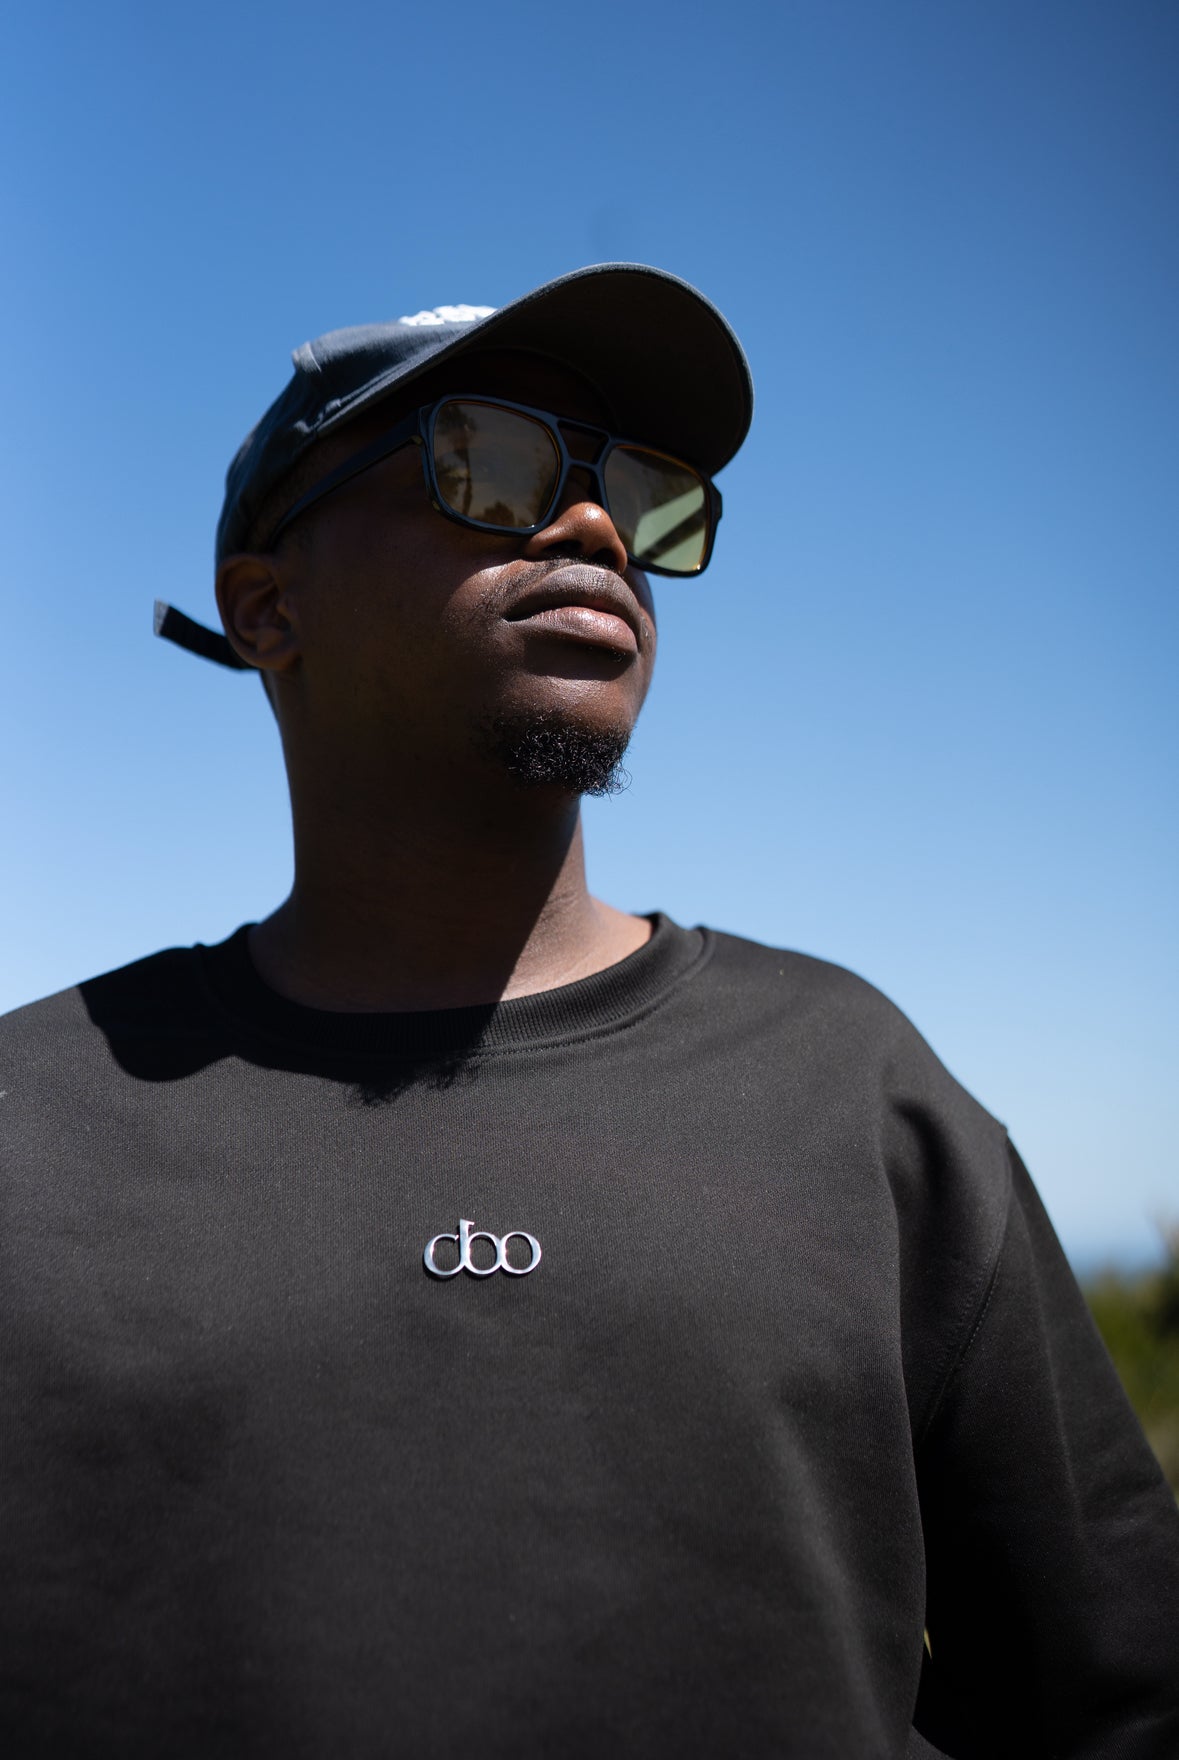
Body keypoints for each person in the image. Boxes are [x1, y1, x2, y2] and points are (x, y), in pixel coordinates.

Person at [1, 264, 1176, 1760]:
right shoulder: (31, 1131)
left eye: (640, 493)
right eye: (487, 463)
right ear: (269, 605)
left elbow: (1117, 1705)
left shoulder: (856, 1092)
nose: (598, 529)